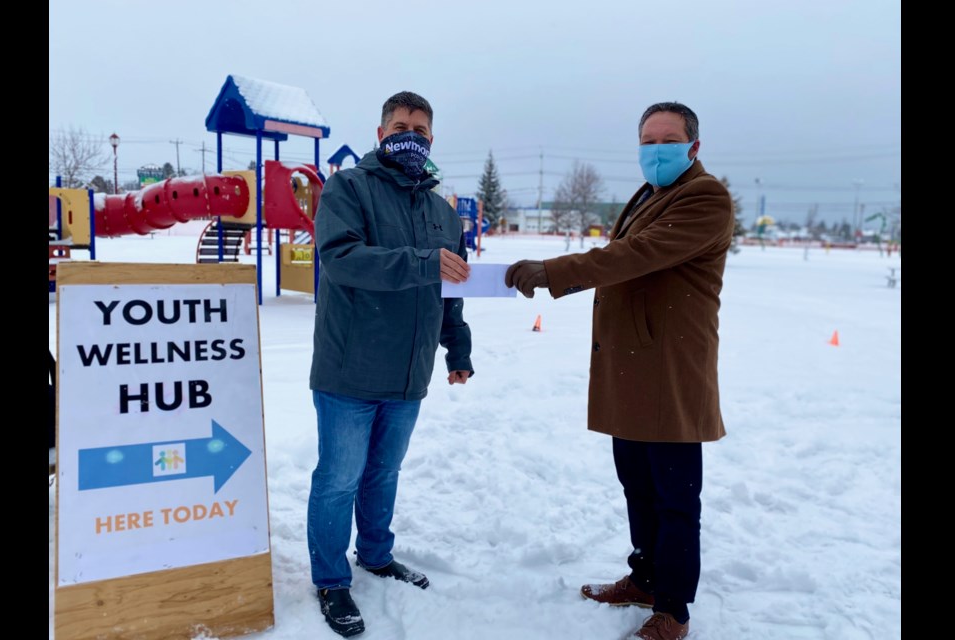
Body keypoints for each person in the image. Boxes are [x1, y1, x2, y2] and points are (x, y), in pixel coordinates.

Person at [505, 102, 732, 640]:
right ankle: (646, 578)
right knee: (637, 485)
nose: (656, 150)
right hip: (633, 367)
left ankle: (672, 609)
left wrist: (553, 271)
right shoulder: (652, 194)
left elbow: (637, 255)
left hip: (671, 370)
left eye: (668, 140)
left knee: (675, 497)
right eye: (647, 141)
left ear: (693, 147)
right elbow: (627, 253)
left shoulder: (705, 197)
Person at [308, 91, 474, 638]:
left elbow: (450, 291)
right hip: (349, 371)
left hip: (408, 374)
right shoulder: (347, 188)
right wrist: (422, 262)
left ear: (432, 140)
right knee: (339, 480)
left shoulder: (442, 212)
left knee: (384, 473)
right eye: (401, 125)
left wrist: (459, 349)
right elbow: (341, 257)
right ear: (381, 134)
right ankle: (332, 580)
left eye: (421, 129)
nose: (411, 134)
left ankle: (376, 555)